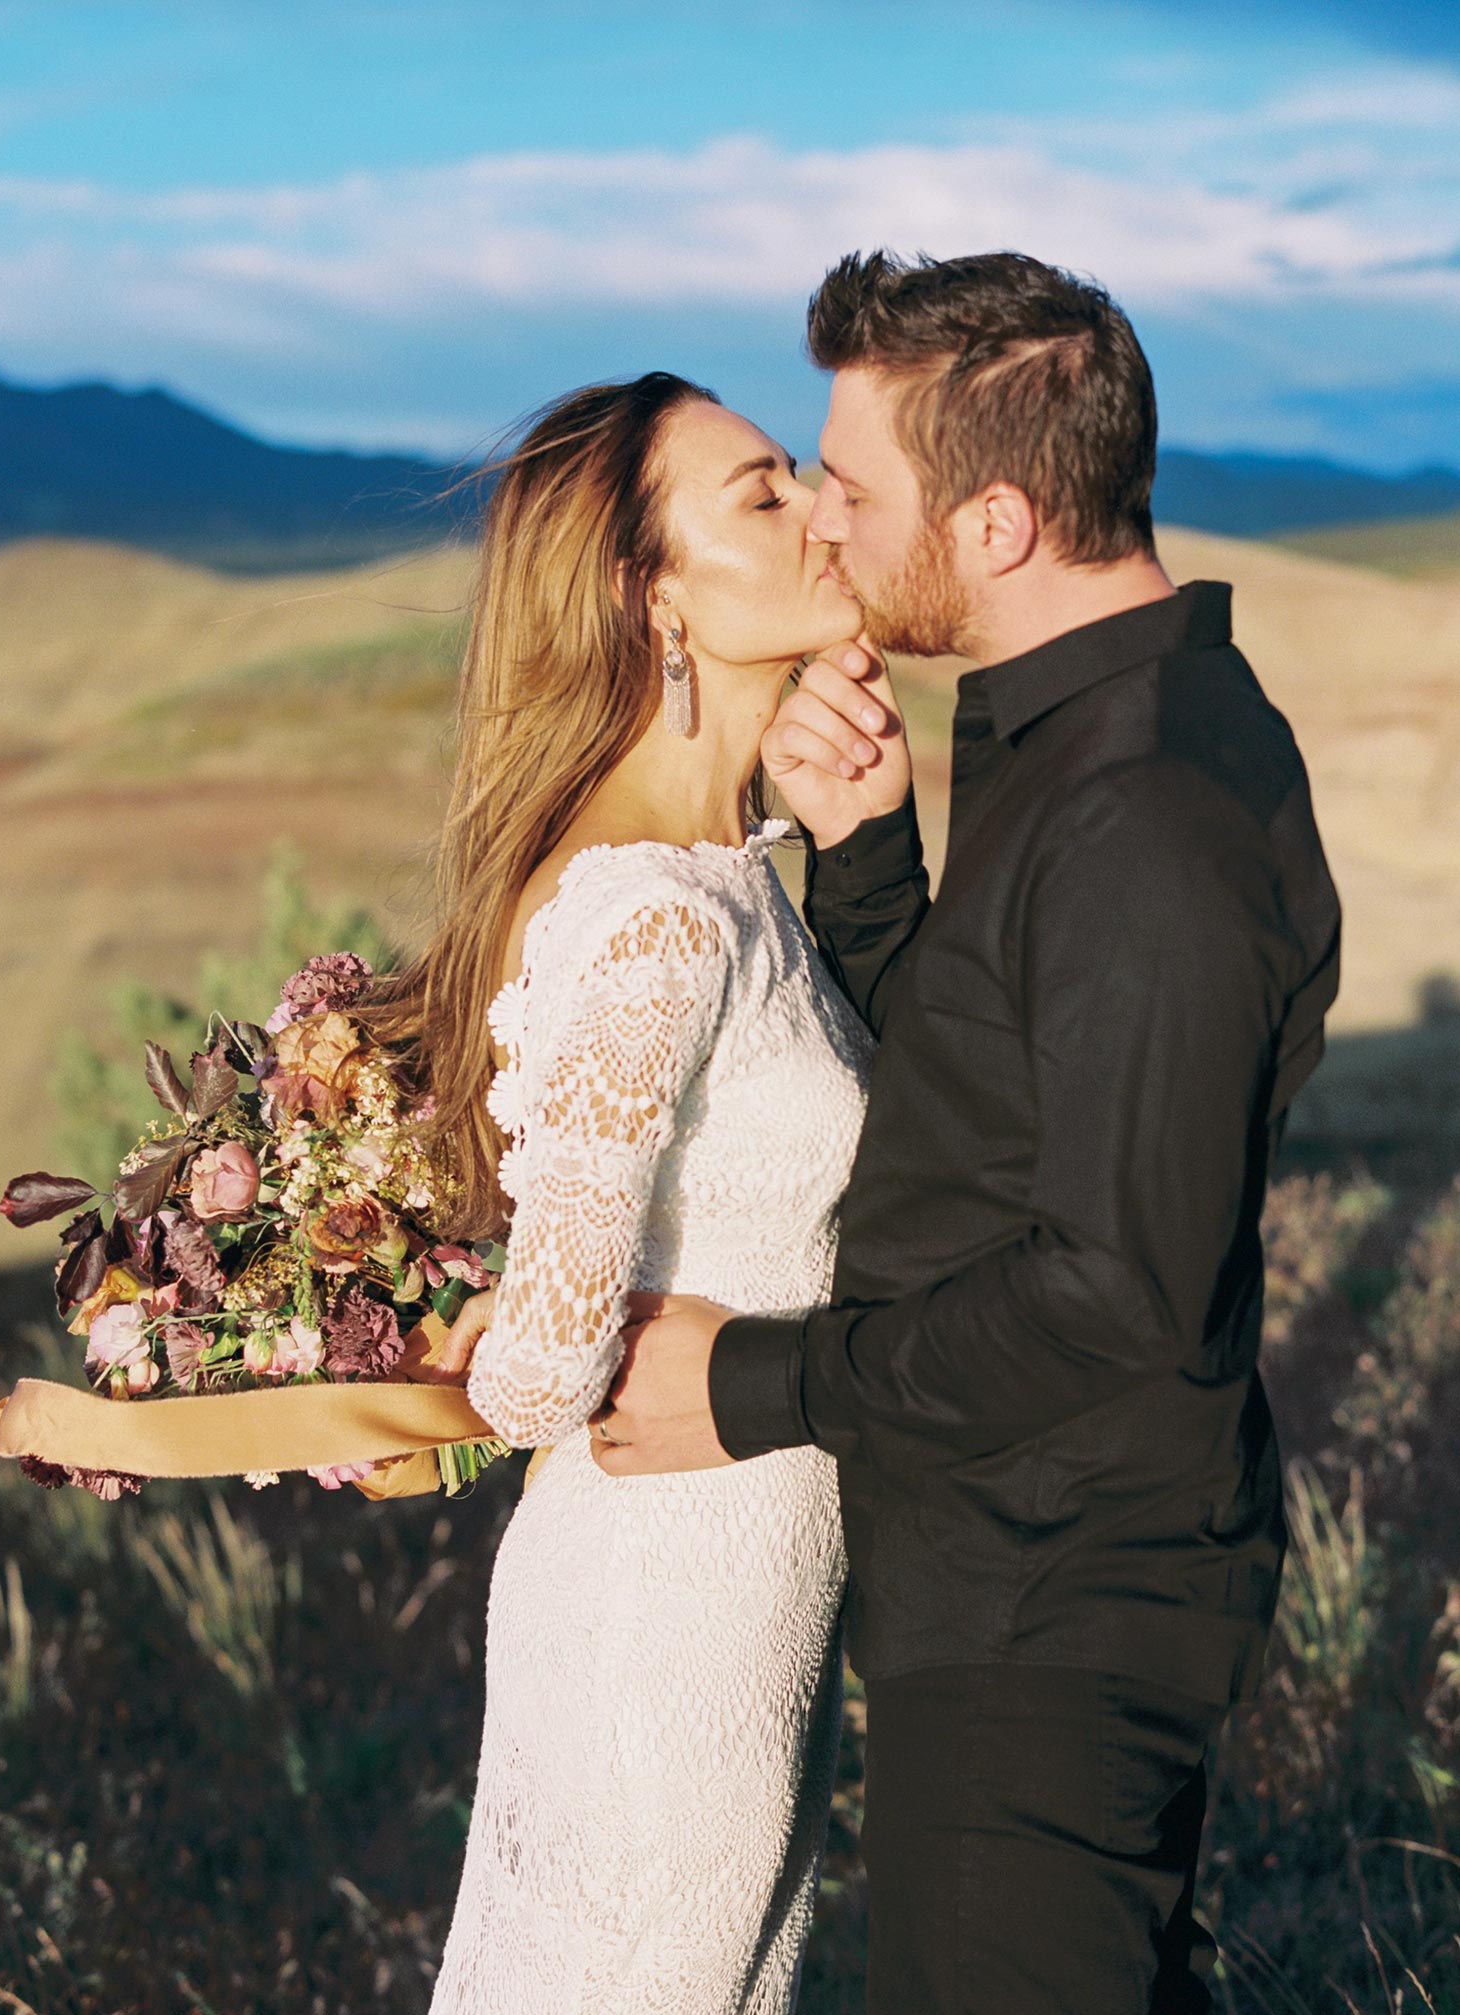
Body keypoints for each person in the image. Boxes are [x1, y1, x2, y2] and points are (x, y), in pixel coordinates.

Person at [603, 252, 1343, 2013]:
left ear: (999, 523)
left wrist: (757, 1386)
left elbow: (1114, 1295)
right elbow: (993, 1111)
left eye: (855, 490)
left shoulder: (1147, 814)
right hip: (1005, 1568)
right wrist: (869, 859)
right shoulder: (1071, 734)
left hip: (1057, 1609)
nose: (828, 526)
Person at [359, 371, 877, 2012]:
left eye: (797, 475)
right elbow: (542, 1372)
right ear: (653, 599)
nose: (816, 510)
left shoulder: (742, 871)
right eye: (759, 495)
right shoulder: (653, 914)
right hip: (665, 1605)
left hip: (757, 1564)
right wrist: (363, 1385)